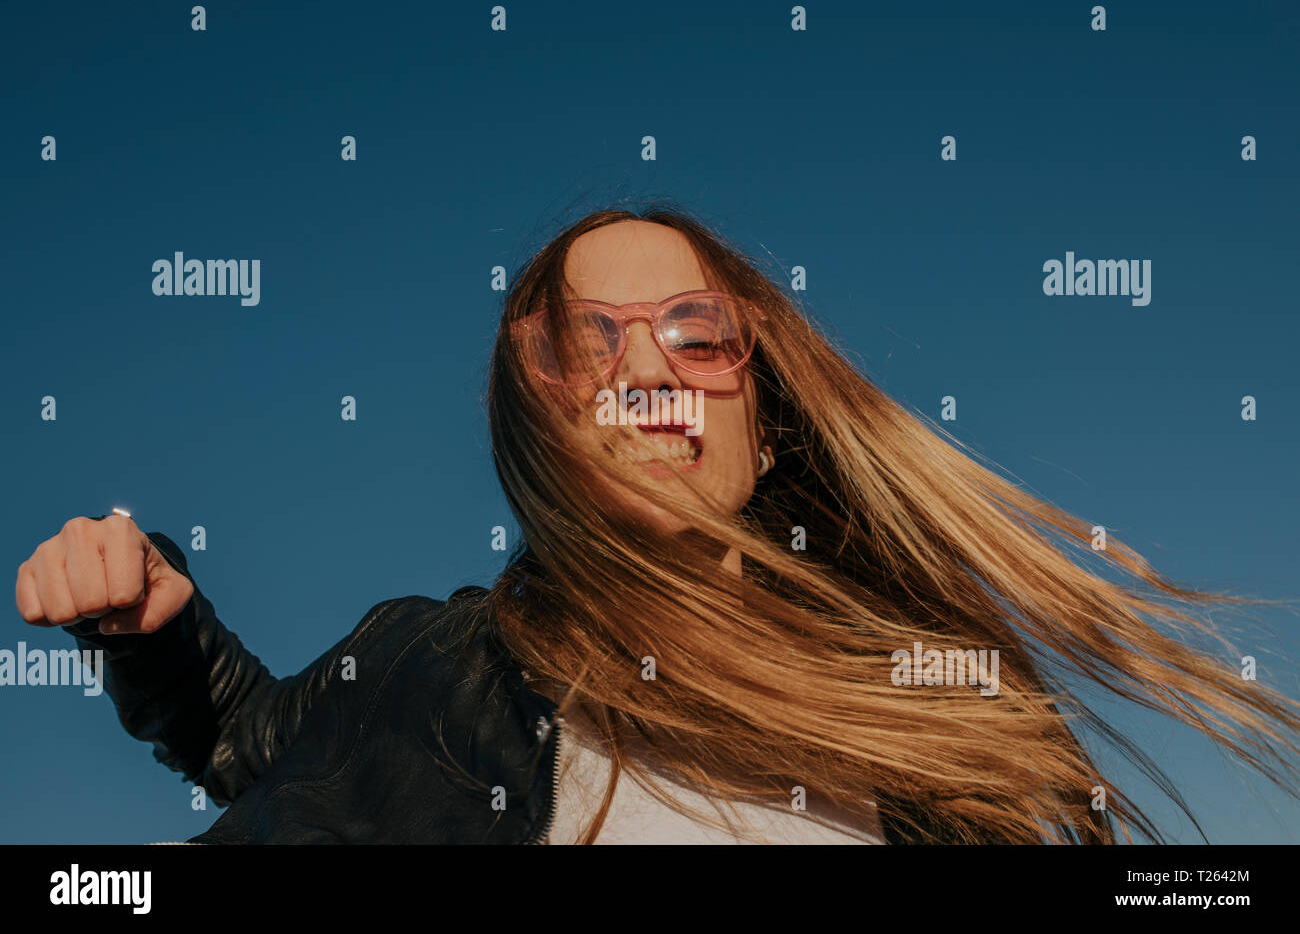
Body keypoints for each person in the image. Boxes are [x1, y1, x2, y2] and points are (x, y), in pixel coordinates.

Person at [15, 205, 1300, 844]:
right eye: (586, 340)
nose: (648, 368)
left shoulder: (916, 708)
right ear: (540, 412)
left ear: (770, 410)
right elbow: (252, 742)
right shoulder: (431, 669)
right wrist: (158, 631)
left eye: (697, 333)